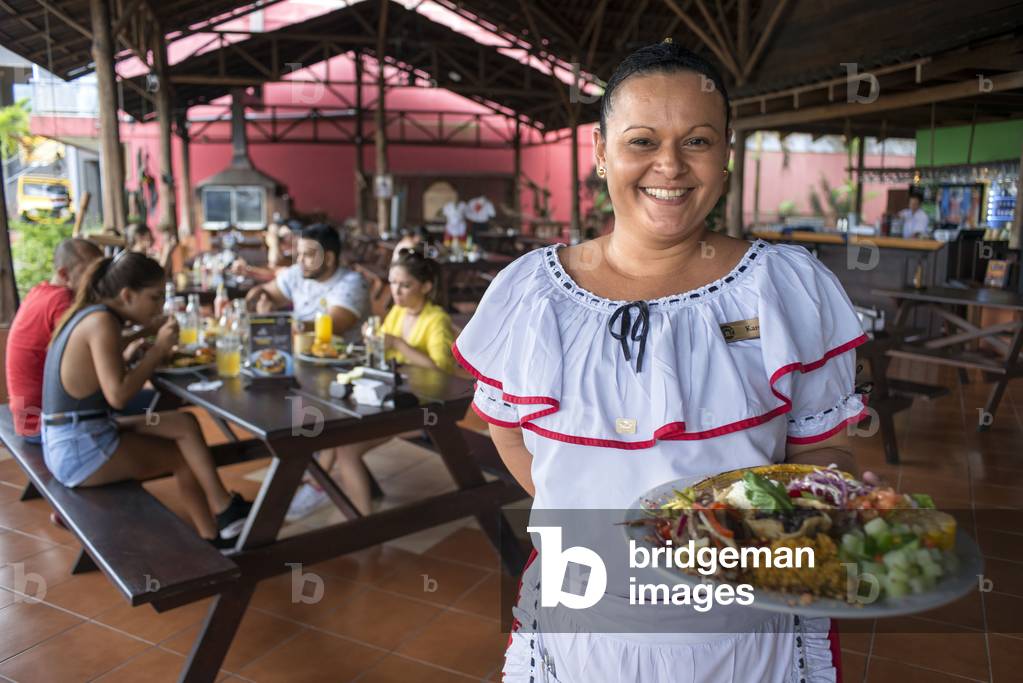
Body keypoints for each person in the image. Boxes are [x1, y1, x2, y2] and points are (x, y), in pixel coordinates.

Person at [454, 43, 871, 682]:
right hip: (581, 623)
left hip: (741, 630)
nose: (670, 165)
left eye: (698, 141)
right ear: (600, 152)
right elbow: (508, 433)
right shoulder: (532, 295)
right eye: (642, 140)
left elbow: (822, 454)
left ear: (726, 153)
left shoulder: (783, 288)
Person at [41, 252, 251, 548]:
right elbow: (118, 395)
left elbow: (101, 365)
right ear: (127, 295)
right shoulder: (102, 321)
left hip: (70, 436)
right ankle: (218, 532)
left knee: (184, 423)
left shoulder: (89, 314)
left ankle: (224, 513)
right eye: (154, 298)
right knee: (182, 456)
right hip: (81, 448)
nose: (160, 306)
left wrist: (145, 334)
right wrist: (158, 349)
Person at [286, 249, 457, 520]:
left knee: (345, 447)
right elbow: (382, 348)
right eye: (393, 283)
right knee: (333, 428)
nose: (396, 292)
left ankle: (359, 519)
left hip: (423, 407)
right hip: (393, 398)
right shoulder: (398, 314)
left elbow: (444, 373)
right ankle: (320, 486)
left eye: (405, 285)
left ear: (425, 286)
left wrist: (399, 344)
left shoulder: (437, 320)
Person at [6, 238, 102, 442]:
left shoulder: (39, 292)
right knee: (154, 411)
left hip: (27, 418)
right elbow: (93, 362)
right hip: (44, 425)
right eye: (91, 274)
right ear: (64, 274)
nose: (99, 281)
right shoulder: (61, 301)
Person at [244, 223, 368, 336]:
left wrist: (278, 321)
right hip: (299, 352)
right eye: (299, 254)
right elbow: (263, 292)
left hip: (339, 357)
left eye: (307, 255)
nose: (299, 260)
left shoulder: (352, 283)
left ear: (329, 258)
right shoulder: (298, 273)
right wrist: (255, 302)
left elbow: (332, 326)